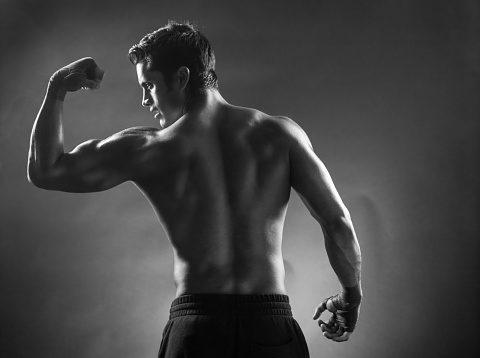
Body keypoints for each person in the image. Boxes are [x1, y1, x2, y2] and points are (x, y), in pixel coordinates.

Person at [28, 21, 362, 357]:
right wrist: (350, 297)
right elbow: (338, 223)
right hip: (269, 327)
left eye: (149, 86)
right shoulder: (281, 135)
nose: (145, 100)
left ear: (182, 77)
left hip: (197, 330)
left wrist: (56, 89)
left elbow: (46, 171)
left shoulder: (146, 148)